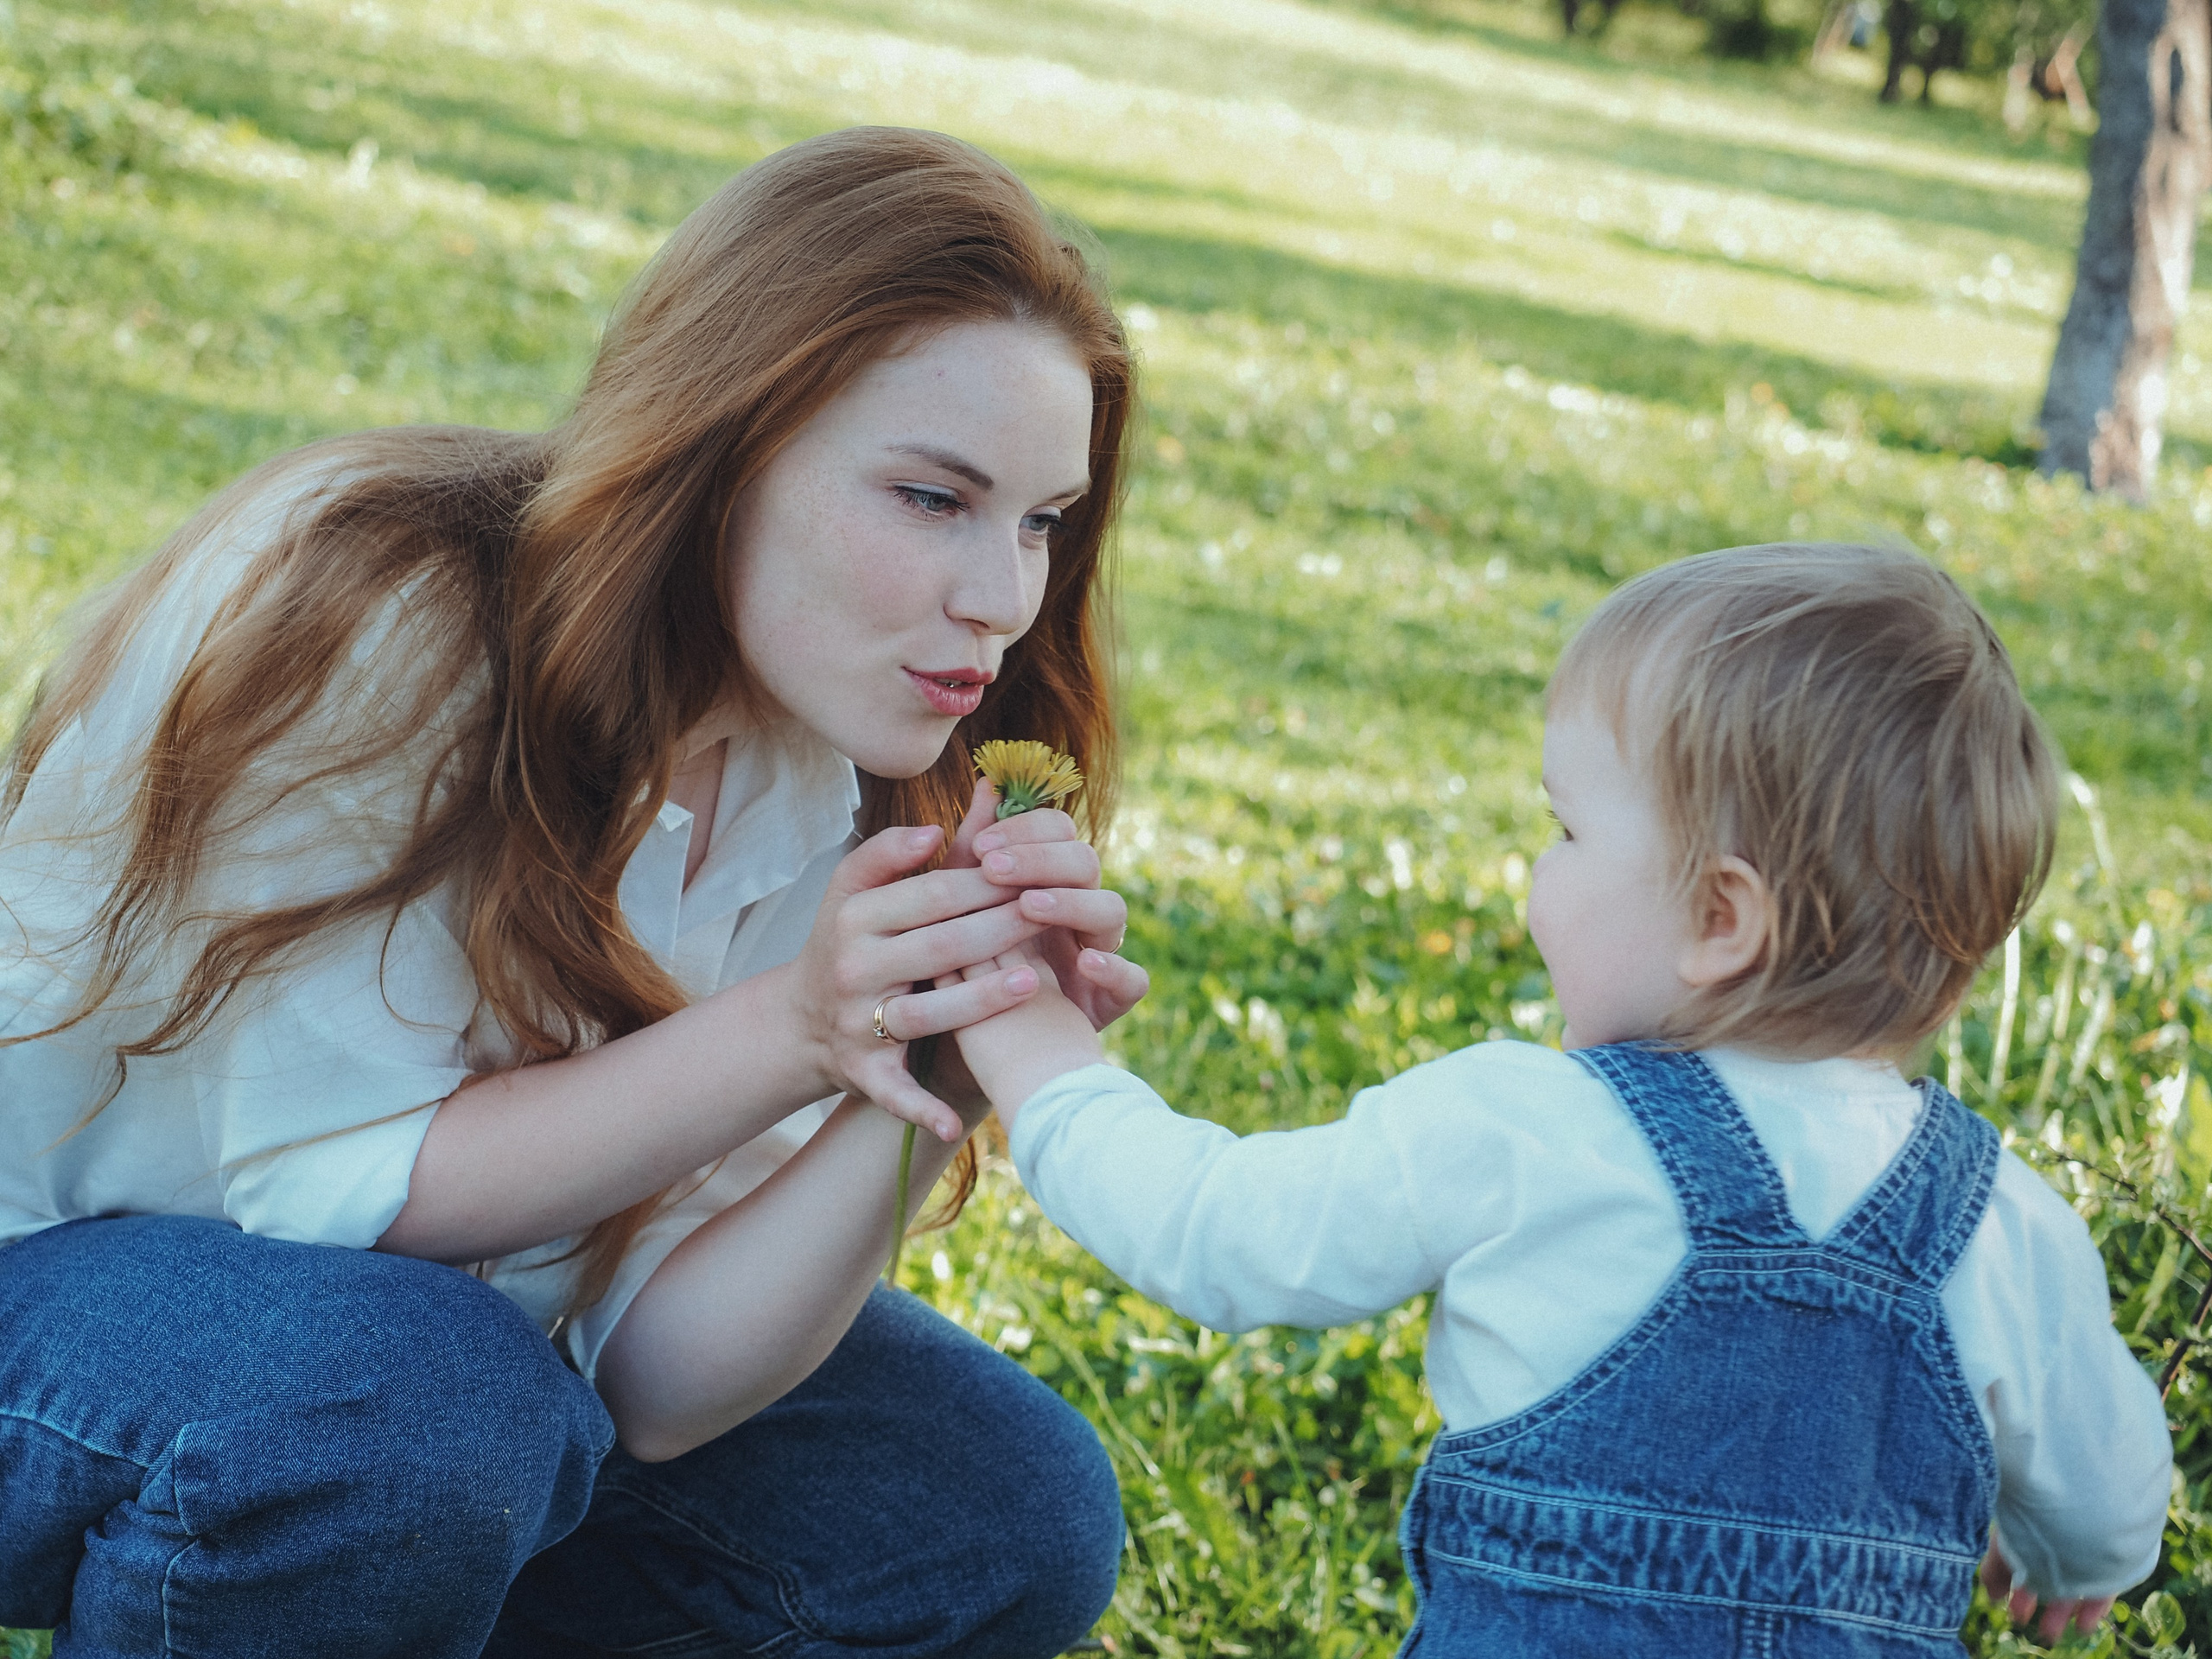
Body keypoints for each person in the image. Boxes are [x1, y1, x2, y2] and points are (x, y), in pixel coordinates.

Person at [0, 127, 1147, 1656]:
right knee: (418, 1407)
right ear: (722, 448)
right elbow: (339, 1194)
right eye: (933, 498)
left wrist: (926, 1069)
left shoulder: (839, 757)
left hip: (399, 1387)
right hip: (49, 1291)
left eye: (1041, 520)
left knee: (991, 1511)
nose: (1002, 599)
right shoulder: (385, 603)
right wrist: (798, 1025)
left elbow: (657, 1384)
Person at [948, 542, 2175, 1655]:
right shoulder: (2005, 1227)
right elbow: (2115, 1501)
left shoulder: (1526, 1131)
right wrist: (2069, 1567)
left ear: (1720, 919)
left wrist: (1035, 1047)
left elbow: (1218, 1234)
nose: (1542, 870)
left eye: (1568, 831)